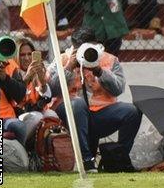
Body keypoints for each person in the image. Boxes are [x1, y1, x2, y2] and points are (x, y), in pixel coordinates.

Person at [48, 27, 142, 173]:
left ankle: (118, 158)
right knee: (78, 104)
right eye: (78, 49)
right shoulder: (63, 59)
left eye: (87, 48)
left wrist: (99, 71)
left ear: (95, 45)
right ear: (72, 46)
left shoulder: (109, 59)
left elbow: (118, 89)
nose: (82, 53)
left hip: (101, 113)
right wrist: (68, 68)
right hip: (71, 114)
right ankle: (86, 160)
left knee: (132, 111)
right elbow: (51, 90)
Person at [13, 38, 57, 141]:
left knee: (51, 114)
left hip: (35, 111)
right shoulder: (13, 72)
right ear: (16, 56)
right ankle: (22, 147)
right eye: (22, 55)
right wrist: (27, 76)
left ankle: (44, 152)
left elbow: (47, 97)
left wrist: (41, 79)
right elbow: (16, 97)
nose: (27, 58)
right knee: (36, 117)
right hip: (17, 116)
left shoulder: (39, 71)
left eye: (29, 54)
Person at [0, 36, 27, 146]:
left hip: (5, 119)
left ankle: (23, 156)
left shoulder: (10, 65)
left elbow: (20, 95)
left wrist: (6, 79)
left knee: (19, 126)